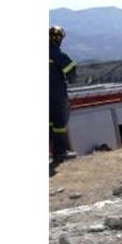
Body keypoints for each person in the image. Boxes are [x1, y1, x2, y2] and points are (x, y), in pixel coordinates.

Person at [49, 26, 78, 164]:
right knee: (59, 125)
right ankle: (60, 154)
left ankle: (51, 153)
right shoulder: (59, 55)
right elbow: (72, 76)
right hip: (56, 97)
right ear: (59, 39)